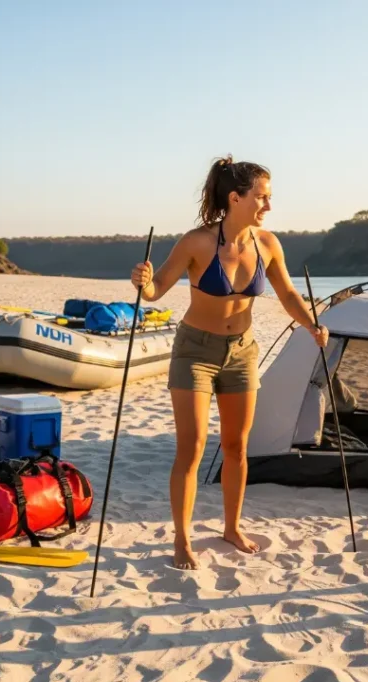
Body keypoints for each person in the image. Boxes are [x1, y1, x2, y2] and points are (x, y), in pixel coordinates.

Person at [130, 156, 329, 570]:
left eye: (269, 197)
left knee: (238, 446)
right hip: (195, 352)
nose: (268, 206)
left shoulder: (268, 244)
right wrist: (144, 282)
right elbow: (155, 291)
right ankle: (182, 539)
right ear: (235, 198)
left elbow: (288, 294)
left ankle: (232, 526)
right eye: (261, 197)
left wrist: (312, 323)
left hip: (242, 352)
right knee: (193, 446)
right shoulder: (196, 242)